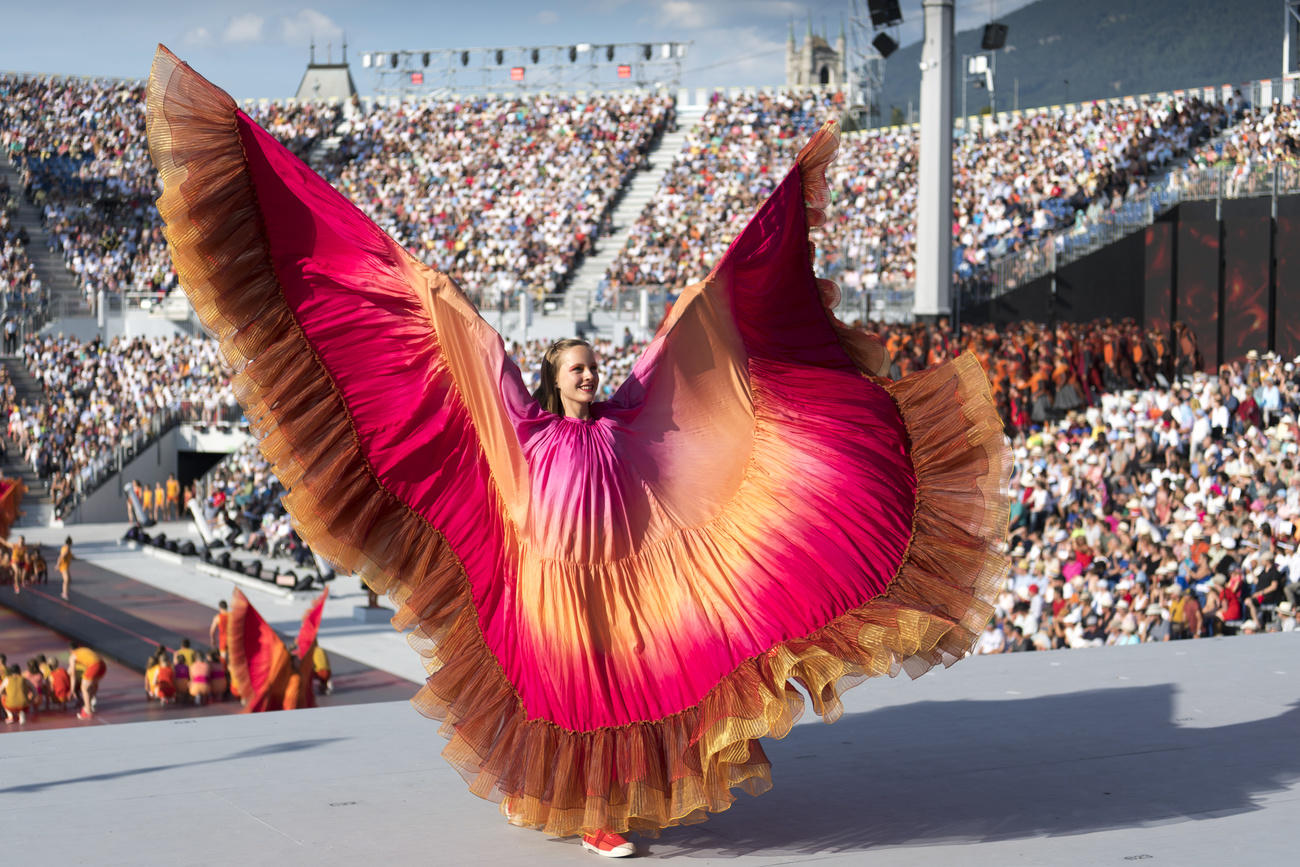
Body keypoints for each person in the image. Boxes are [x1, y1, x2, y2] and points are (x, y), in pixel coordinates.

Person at [147, 48, 1009, 854]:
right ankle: (585, 813)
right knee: (569, 705)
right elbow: (475, 357)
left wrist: (721, 279)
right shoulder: (525, 428)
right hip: (550, 588)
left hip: (629, 585)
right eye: (576, 368)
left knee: (632, 699)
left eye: (594, 365)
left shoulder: (632, 411)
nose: (590, 375)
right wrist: (436, 293)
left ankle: (605, 813)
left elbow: (681, 345)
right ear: (554, 377)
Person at [68, 640, 106, 719]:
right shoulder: (84, 649)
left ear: (70, 650)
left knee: (84, 688)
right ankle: (90, 704)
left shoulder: (73, 655)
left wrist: (72, 690)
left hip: (94, 665)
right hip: (102, 665)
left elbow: (73, 675)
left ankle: (87, 711)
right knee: (93, 684)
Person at [209, 600, 229, 664]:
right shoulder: (232, 616)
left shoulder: (217, 617)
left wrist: (213, 639)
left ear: (220, 608)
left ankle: (224, 669)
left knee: (223, 659)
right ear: (227, 607)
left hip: (223, 640)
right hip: (232, 639)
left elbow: (212, 631)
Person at [57, 536, 73, 600]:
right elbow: (61, 556)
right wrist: (58, 565)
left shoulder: (64, 547)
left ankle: (65, 592)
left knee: (69, 580)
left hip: (65, 566)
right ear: (71, 542)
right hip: (64, 566)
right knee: (66, 580)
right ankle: (64, 593)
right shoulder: (67, 549)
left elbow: (69, 556)